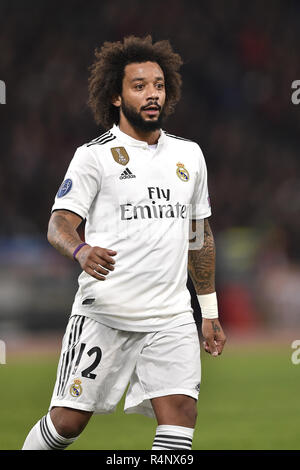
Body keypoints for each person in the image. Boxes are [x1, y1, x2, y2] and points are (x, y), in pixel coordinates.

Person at [22, 35, 226, 451]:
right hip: (107, 315)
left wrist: (208, 311)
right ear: (116, 96)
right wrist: (80, 249)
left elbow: (197, 234)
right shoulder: (94, 156)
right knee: (68, 421)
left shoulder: (189, 155)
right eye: (139, 86)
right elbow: (59, 222)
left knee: (181, 414)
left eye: (158, 85)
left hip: (170, 316)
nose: (152, 94)